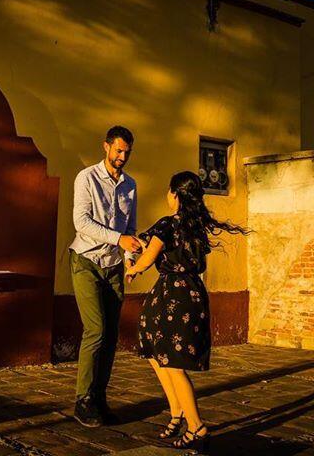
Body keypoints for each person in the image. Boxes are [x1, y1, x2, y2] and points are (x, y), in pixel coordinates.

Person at [125, 171, 248, 452]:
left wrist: (133, 268)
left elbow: (149, 256)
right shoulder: (195, 228)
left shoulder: (168, 224)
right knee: (158, 356)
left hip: (172, 296)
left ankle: (196, 426)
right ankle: (177, 413)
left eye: (170, 192)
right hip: (191, 294)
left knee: (172, 363)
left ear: (175, 194)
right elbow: (157, 244)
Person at [70, 126, 142, 427]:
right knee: (96, 329)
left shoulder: (130, 185)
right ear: (106, 147)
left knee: (111, 335)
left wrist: (129, 258)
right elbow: (81, 221)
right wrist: (118, 239)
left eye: (127, 151)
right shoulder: (86, 177)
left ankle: (99, 398)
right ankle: (82, 399)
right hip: (86, 260)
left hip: (114, 266)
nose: (122, 156)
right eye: (118, 150)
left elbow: (131, 229)